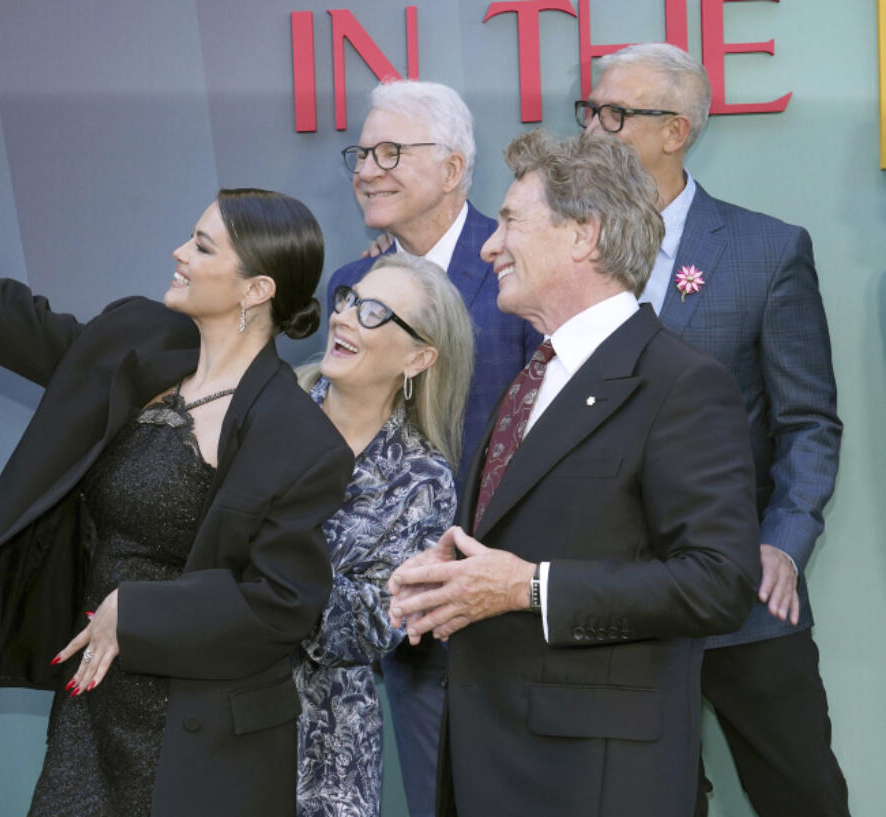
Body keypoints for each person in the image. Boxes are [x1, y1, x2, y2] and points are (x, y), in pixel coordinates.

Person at [0, 126, 354, 817]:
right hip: (95, 706)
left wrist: (135, 610)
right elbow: (6, 316)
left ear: (256, 287)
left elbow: (283, 604)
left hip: (204, 736)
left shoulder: (300, 437)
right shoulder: (136, 339)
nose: (178, 253)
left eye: (201, 246)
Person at [387, 129, 762, 817]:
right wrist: (451, 576)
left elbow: (719, 581)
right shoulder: (531, 379)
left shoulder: (680, 384)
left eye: (508, 223)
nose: (489, 246)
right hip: (490, 763)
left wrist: (527, 586)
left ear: (584, 234)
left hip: (593, 780)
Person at [579, 43, 846, 817]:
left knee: (802, 795)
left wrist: (784, 543)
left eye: (617, 114)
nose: (596, 130)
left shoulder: (767, 251)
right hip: (617, 599)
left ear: (678, 130)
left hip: (745, 595)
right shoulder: (568, 250)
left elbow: (808, 423)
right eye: (591, 111)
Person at [329, 80, 541, 813]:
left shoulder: (518, 261)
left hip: (508, 604)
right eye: (361, 152)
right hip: (404, 614)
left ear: (453, 168)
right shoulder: (351, 284)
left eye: (391, 151)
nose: (367, 168)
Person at [292, 254, 473, 817]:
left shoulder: (422, 479)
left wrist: (271, 537)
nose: (344, 317)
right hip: (203, 712)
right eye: (348, 299)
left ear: (419, 357)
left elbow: (362, 633)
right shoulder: (268, 414)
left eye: (374, 313)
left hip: (322, 752)